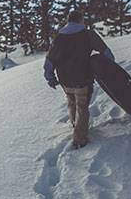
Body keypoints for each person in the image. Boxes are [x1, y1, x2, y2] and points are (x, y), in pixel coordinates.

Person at [44, 10, 115, 149]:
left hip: (65, 80)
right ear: (80, 20)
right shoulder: (88, 35)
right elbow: (107, 54)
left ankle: (74, 124)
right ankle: (80, 139)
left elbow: (49, 61)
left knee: (71, 101)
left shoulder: (59, 38)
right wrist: (109, 68)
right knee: (82, 107)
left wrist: (50, 77)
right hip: (82, 79)